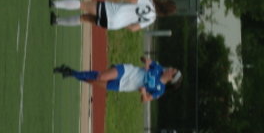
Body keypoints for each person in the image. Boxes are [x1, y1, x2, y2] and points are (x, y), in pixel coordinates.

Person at [53, 56, 182, 102]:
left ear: (171, 78)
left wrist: (143, 93)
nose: (170, 68)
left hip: (124, 85)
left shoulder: (160, 90)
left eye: (173, 71)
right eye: (173, 68)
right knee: (100, 76)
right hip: (127, 71)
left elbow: (146, 99)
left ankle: (70, 72)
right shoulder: (159, 68)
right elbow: (144, 58)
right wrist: (147, 62)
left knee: (93, 81)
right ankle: (69, 72)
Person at [49, 0, 176, 31]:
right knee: (84, 18)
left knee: (83, 5)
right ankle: (57, 21)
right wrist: (122, 21)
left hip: (112, 10)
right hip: (114, 24)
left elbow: (132, 0)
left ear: (164, 1)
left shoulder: (149, 0)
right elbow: (133, 28)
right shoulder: (152, 19)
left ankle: (55, 4)